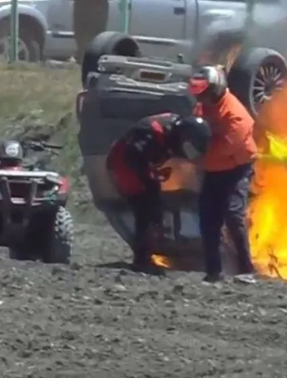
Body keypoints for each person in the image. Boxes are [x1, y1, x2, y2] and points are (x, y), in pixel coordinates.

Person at [107, 113, 211, 275]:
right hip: (124, 167)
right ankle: (141, 261)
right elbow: (133, 156)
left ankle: (148, 254)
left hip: (133, 164)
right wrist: (149, 174)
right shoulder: (152, 133)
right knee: (146, 211)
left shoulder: (172, 129)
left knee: (153, 209)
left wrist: (153, 172)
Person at [189, 66, 257, 283]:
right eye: (198, 94)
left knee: (233, 215)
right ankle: (213, 271)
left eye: (204, 93)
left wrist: (195, 156)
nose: (201, 98)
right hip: (213, 170)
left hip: (235, 169)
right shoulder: (203, 107)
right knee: (208, 219)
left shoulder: (236, 115)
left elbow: (225, 148)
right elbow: (196, 129)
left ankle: (246, 270)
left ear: (216, 90)